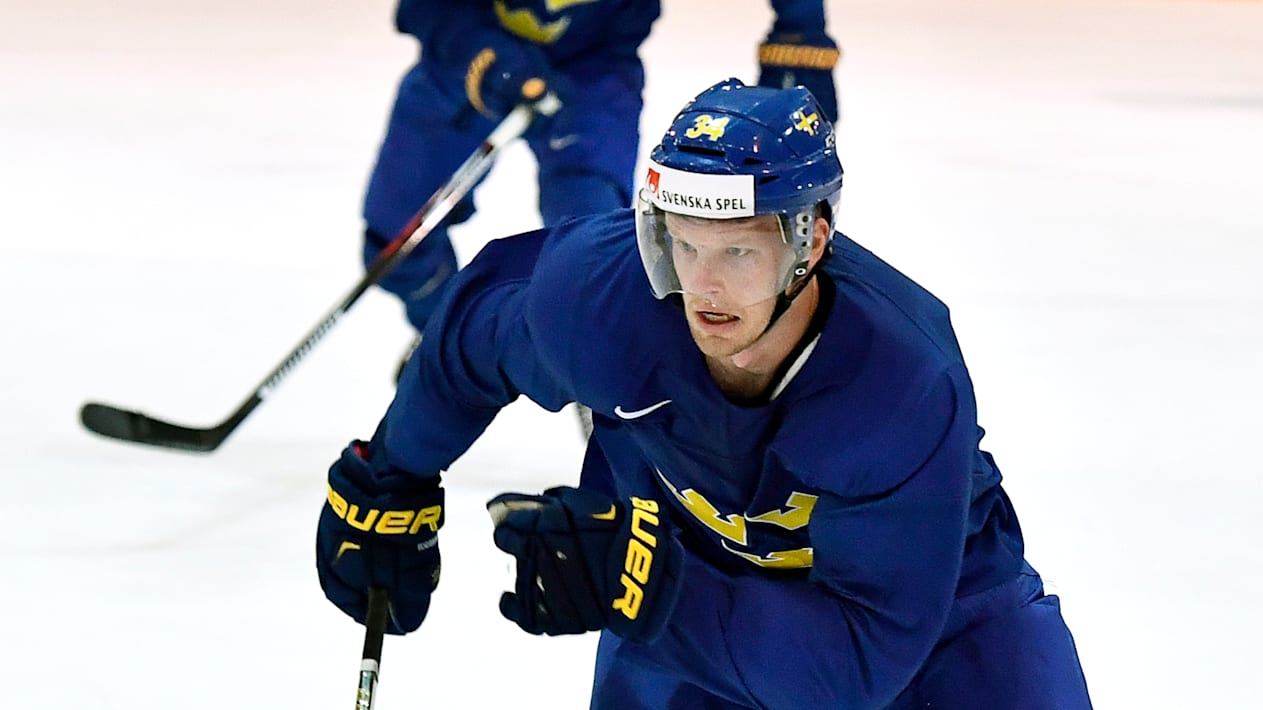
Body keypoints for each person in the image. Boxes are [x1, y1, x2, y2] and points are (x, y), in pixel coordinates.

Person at [316, 79, 1092, 708]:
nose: (705, 286)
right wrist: (394, 474)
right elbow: (474, 338)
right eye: (682, 245)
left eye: (738, 253)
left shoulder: (898, 384)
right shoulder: (604, 300)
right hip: (686, 588)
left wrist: (645, 586)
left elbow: (858, 662)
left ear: (811, 243)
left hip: (937, 620)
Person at [363, 0, 841, 340]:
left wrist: (800, 30)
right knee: (397, 243)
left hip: (596, 65)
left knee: (591, 250)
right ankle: (448, 339)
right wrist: (482, 56)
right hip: (467, 55)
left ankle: (601, 381)